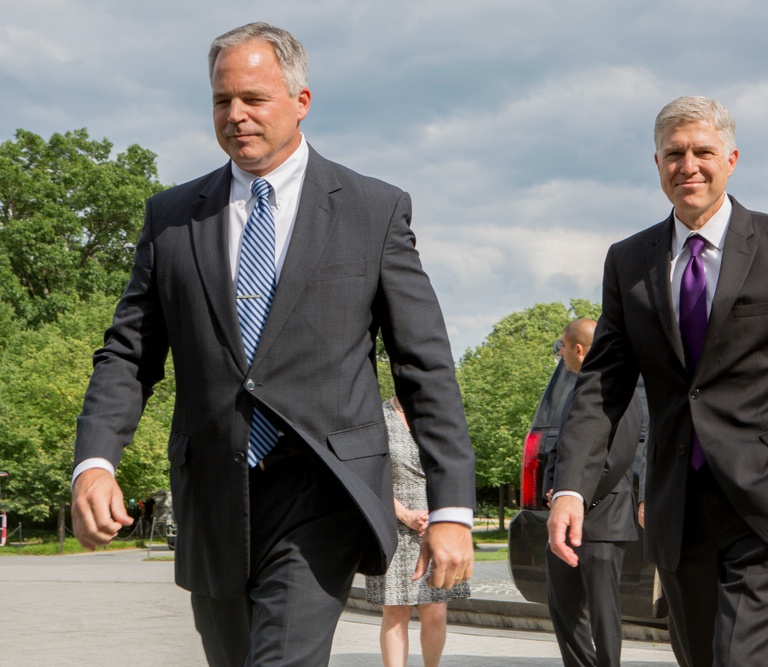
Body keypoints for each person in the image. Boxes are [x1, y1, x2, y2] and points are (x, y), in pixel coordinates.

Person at [69, 22, 475, 667]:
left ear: (300, 101)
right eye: (221, 101)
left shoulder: (373, 210)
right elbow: (128, 352)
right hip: (214, 491)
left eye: (253, 99)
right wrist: (95, 460)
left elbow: (423, 365)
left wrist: (453, 504)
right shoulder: (173, 217)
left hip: (323, 488)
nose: (236, 116)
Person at [546, 95, 768, 666]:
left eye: (702, 151)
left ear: (731, 159)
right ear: (658, 164)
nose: (687, 165)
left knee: (742, 656)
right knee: (698, 655)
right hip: (677, 505)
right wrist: (571, 487)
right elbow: (602, 385)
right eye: (673, 154)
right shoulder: (628, 260)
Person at [543, 318, 643, 667]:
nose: (560, 354)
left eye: (563, 348)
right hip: (565, 519)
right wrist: (555, 494)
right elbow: (559, 449)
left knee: (603, 613)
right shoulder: (575, 392)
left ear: (579, 349)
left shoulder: (619, 389)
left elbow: (618, 457)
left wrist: (578, 499)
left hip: (604, 519)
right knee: (563, 607)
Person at [366, 396, 470, 667]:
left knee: (435, 610)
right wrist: (401, 513)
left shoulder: (440, 414)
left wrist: (443, 513)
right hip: (392, 525)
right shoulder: (377, 417)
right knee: (395, 611)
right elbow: (368, 474)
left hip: (439, 524)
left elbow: (456, 466)